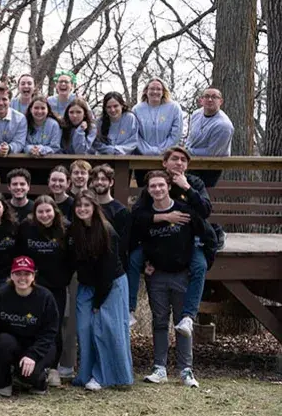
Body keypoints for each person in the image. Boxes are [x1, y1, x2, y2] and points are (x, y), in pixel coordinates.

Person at [134, 171, 215, 388]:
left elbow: (207, 235)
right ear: (148, 190)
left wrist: (201, 262)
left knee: (182, 323)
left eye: (161, 185)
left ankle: (186, 370)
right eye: (153, 186)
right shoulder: (145, 215)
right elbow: (135, 242)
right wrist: (144, 266)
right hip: (157, 275)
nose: (157, 190)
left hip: (181, 274)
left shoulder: (185, 211)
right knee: (160, 322)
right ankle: (159, 368)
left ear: (168, 186)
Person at [126, 147, 214, 329]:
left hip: (187, 240)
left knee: (200, 266)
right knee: (134, 259)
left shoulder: (194, 183)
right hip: (156, 240)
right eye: (175, 159)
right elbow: (136, 216)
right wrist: (163, 217)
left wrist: (187, 188)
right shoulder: (156, 182)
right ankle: (129, 310)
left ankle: (189, 316)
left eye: (183, 160)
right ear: (165, 163)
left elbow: (205, 211)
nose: (179, 163)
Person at [68, 192, 134, 390]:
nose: (82, 209)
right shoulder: (75, 231)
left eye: (86, 205)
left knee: (105, 329)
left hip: (110, 285)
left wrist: (98, 302)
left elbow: (107, 272)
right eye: (79, 206)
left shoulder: (107, 231)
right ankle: (85, 374)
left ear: (95, 208)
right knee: (84, 328)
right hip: (86, 286)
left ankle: (105, 376)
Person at [18, 195, 71, 387]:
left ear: (54, 212)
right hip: (31, 286)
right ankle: (28, 363)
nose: (44, 215)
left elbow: (71, 257)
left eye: (48, 211)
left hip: (56, 286)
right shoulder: (26, 228)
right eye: (40, 211)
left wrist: (64, 277)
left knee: (54, 327)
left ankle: (53, 368)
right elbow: (20, 253)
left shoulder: (65, 228)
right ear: (34, 213)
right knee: (29, 323)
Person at [0, 256, 59, 396]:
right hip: (14, 344)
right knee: (1, 340)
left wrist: (32, 355)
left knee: (29, 375)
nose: (22, 278)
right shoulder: (1, 295)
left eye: (27, 274)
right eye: (18, 273)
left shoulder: (45, 297)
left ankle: (40, 380)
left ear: (33, 276)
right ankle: (4, 383)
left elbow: (50, 332)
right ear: (11, 275)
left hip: (40, 346)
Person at [134, 77, 183, 184]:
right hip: (142, 159)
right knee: (144, 191)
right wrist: (147, 150)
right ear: (146, 91)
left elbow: (176, 134)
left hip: (166, 159)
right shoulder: (137, 109)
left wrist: (161, 151)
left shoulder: (174, 108)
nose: (155, 92)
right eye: (152, 89)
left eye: (158, 89)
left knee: (163, 190)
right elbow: (134, 134)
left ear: (163, 92)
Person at [185, 88, 235, 187]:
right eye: (207, 96)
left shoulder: (223, 125)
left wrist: (187, 151)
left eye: (214, 97)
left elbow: (211, 154)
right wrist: (186, 150)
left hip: (209, 167)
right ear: (201, 100)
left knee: (197, 197)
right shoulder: (196, 114)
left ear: (221, 101)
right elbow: (190, 138)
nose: (210, 99)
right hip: (190, 162)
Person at [89, 164, 131, 259]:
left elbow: (123, 245)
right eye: (96, 179)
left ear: (111, 182)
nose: (99, 182)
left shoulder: (121, 210)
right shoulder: (87, 207)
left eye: (103, 179)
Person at [24, 95, 62, 160]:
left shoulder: (54, 124)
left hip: (49, 161)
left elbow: (55, 147)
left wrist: (41, 150)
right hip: (26, 159)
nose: (39, 111)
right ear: (31, 109)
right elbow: (22, 143)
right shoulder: (24, 123)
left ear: (48, 110)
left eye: (43, 108)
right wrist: (30, 149)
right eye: (36, 108)